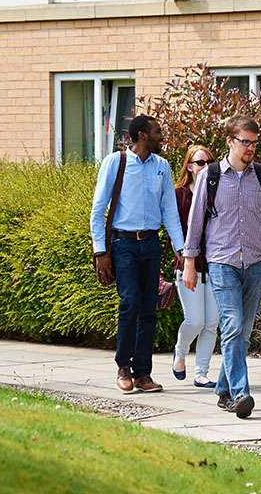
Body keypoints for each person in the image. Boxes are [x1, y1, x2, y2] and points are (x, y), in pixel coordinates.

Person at [182, 115, 261, 419]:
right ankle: (241, 394)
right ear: (229, 141)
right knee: (233, 326)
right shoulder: (211, 177)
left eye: (254, 142)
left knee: (244, 331)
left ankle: (224, 391)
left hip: (256, 263)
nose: (251, 147)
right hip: (222, 262)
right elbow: (196, 221)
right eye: (245, 141)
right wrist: (189, 262)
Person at [91, 115, 186, 394]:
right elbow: (98, 210)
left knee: (148, 308)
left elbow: (169, 211)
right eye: (157, 132)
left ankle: (143, 373)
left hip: (151, 243)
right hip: (123, 244)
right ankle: (123, 366)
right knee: (129, 302)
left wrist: (180, 249)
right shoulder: (116, 162)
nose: (162, 136)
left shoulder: (162, 166)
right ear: (143, 135)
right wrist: (101, 252)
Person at [170, 144, 218, 388]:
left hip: (216, 267)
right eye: (200, 162)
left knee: (211, 323)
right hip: (189, 267)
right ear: (189, 166)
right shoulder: (179, 194)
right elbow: (174, 231)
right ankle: (180, 352)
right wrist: (183, 261)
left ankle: (202, 373)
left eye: (209, 162)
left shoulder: (217, 191)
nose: (205, 167)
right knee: (195, 320)